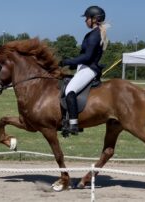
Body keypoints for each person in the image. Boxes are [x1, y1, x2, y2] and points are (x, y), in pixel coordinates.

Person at [59, 6, 108, 134]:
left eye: (87, 18)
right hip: (83, 67)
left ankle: (74, 124)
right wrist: (71, 64)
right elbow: (83, 55)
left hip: (89, 69)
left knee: (70, 89)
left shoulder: (95, 35)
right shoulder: (92, 34)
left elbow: (87, 57)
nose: (85, 20)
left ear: (94, 19)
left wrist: (67, 61)